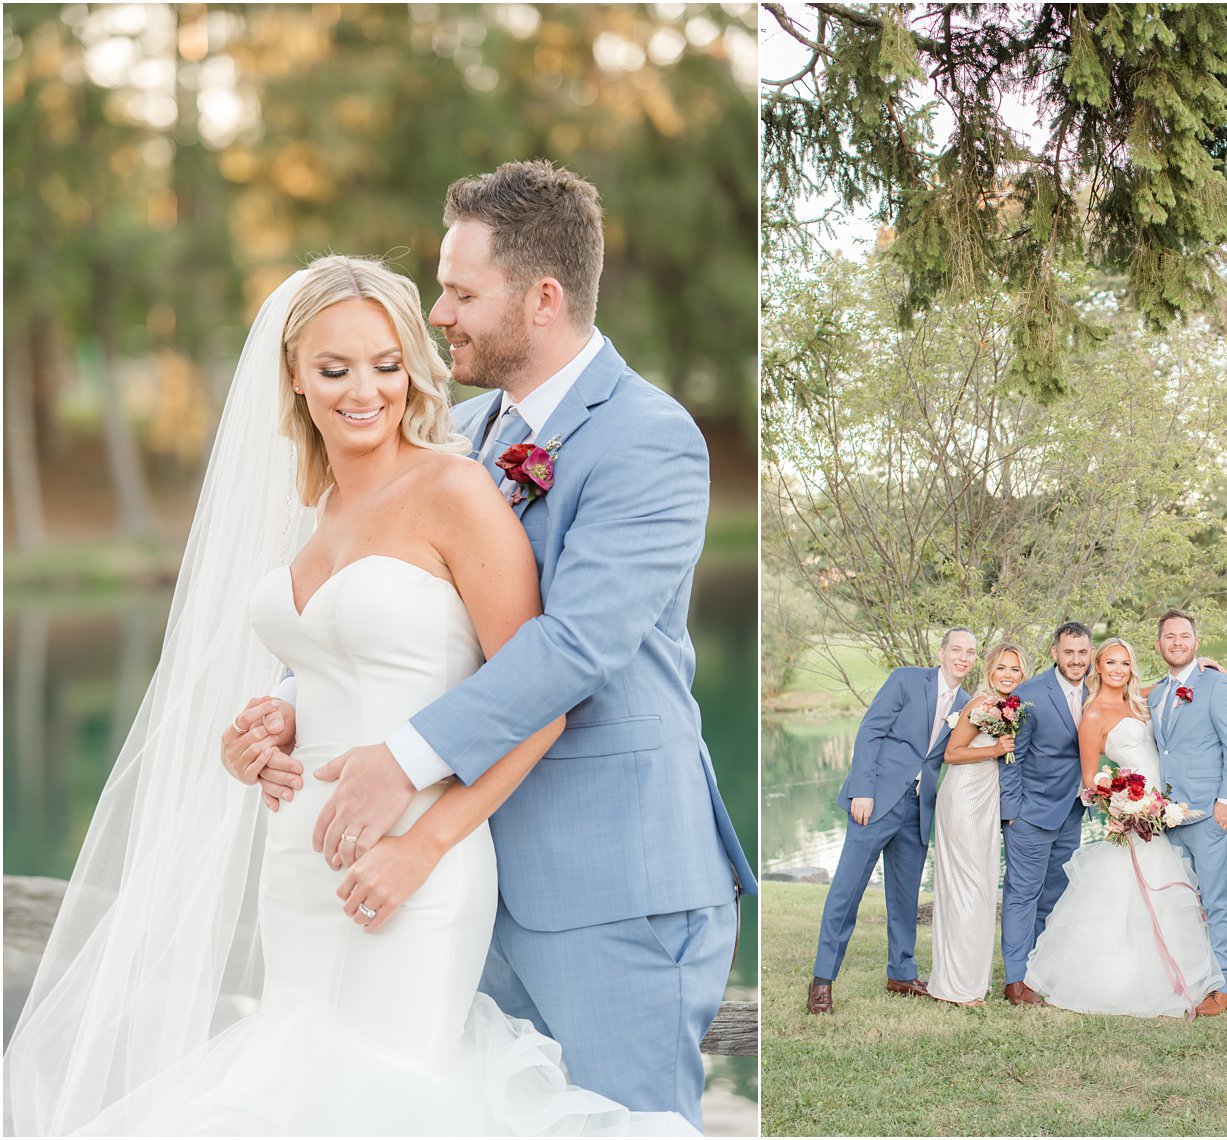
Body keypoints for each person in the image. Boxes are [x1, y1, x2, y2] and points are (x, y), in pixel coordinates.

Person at [6, 258, 690, 1135]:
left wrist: (426, 846)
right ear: (293, 375)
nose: (365, 391)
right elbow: (332, 662)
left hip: (417, 862)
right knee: (294, 1086)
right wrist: (262, 731)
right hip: (298, 864)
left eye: (387, 364)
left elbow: (540, 700)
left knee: (387, 1092)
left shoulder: (455, 490)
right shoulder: (312, 510)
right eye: (335, 369)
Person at [221, 163, 756, 1125]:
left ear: (541, 299)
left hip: (610, 884)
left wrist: (404, 762)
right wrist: (290, 710)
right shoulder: (461, 436)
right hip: (461, 878)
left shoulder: (648, 438)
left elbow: (575, 649)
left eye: (463, 292)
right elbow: (419, 631)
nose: (442, 313)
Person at [1024, 638, 1223, 1017]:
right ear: (1098, 667)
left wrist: (1202, 668)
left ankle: (1171, 975)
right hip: (1134, 816)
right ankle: (1119, 981)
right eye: (1110, 663)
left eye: (1125, 663)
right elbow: (1088, 779)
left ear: (1133, 667)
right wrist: (1124, 805)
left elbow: (1166, 687)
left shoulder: (1139, 702)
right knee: (1123, 898)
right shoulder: (1094, 715)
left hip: (1161, 812)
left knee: (1165, 894)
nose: (1118, 669)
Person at [806, 629, 977, 1014]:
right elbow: (871, 731)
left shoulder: (967, 705)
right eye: (956, 650)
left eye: (969, 652)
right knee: (846, 892)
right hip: (876, 801)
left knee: (904, 898)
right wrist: (862, 790)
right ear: (941, 652)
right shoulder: (905, 679)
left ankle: (901, 973)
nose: (962, 658)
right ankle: (822, 981)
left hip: (918, 811)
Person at [1147, 609, 1227, 1015]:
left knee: (1217, 899)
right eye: (1169, 637)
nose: (1177, 643)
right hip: (1171, 816)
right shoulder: (1157, 693)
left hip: (1212, 813)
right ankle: (1190, 977)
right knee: (1183, 904)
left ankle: (1223, 986)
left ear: (1196, 642)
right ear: (1158, 644)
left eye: (1184, 636)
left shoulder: (1219, 685)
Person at [928, 642, 1028, 1006]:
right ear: (989, 670)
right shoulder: (982, 704)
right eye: (1002, 667)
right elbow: (951, 755)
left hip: (986, 799)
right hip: (964, 798)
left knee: (981, 887)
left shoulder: (1010, 707)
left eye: (1015, 669)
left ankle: (964, 980)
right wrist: (996, 750)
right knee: (968, 887)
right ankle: (958, 987)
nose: (1008, 675)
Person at [998, 622, 1092, 1007]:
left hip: (1072, 811)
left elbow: (1139, 692)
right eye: (1068, 652)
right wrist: (1012, 814)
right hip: (1031, 814)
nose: (1076, 660)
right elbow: (1011, 758)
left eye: (1083, 652)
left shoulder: (1097, 691)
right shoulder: (1030, 693)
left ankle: (1039, 971)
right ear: (1055, 652)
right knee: (1022, 895)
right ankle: (1015, 981)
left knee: (1054, 896)